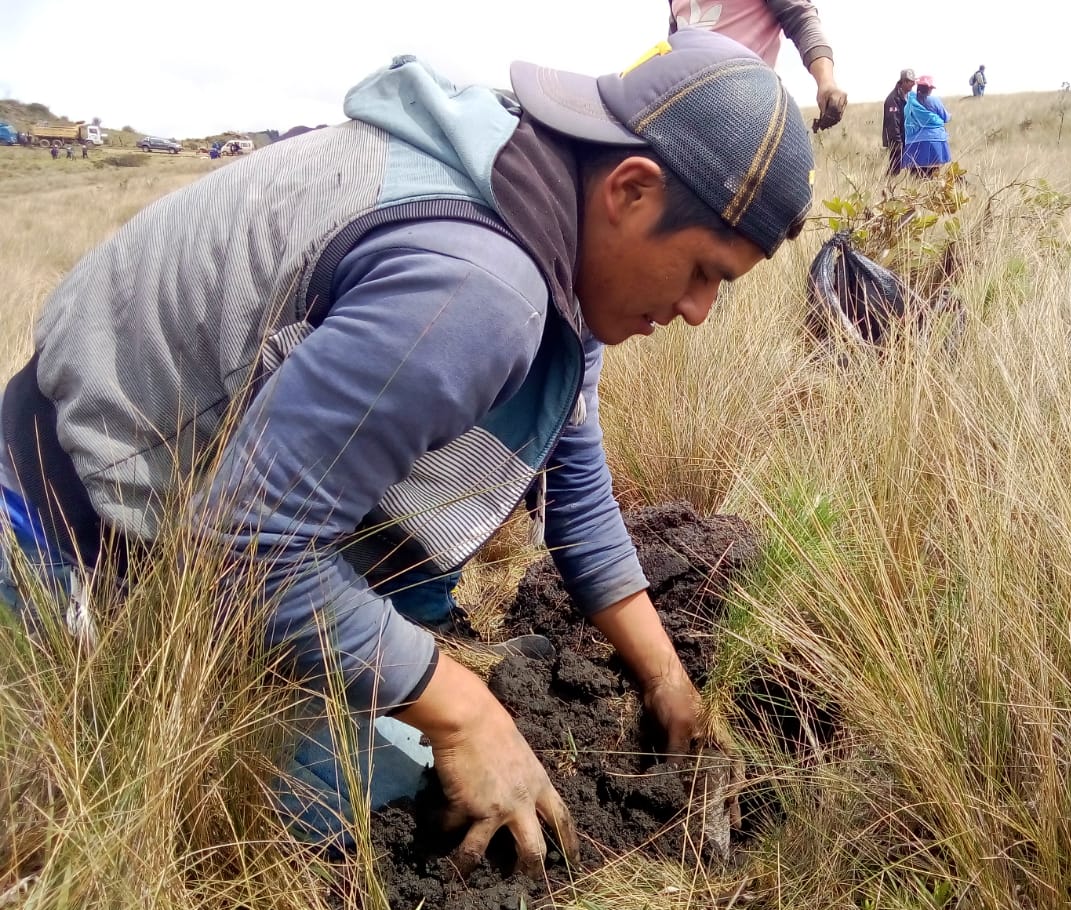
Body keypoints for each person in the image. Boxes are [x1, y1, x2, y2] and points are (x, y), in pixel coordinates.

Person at [0, 31, 814, 866]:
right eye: (705, 272)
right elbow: (243, 548)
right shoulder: (479, 285)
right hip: (69, 532)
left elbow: (575, 489)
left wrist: (668, 682)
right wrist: (463, 710)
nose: (699, 310)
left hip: (212, 514)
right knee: (392, 816)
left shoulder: (548, 221)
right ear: (632, 190)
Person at [668, 0, 847, 130]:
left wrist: (826, 82)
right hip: (686, 112)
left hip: (747, 109)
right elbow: (675, 43)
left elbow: (801, 19)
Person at [903, 75, 951, 177]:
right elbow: (946, 118)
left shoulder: (909, 103)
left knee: (915, 177)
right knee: (933, 176)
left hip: (913, 143)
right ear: (929, 89)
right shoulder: (934, 100)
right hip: (934, 142)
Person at [882, 68, 916, 176]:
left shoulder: (910, 96)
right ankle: (885, 188)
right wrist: (898, 143)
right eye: (911, 82)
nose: (913, 84)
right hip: (898, 141)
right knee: (894, 169)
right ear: (904, 82)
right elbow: (893, 124)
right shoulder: (893, 99)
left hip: (909, 139)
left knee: (914, 168)